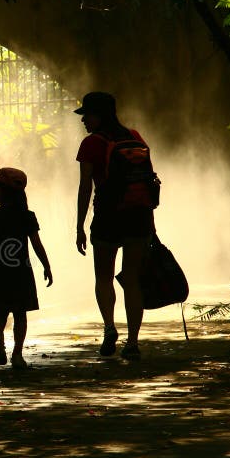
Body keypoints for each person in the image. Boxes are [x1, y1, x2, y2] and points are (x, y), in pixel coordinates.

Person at [74, 92, 154, 361]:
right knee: (132, 279)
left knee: (104, 277)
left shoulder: (91, 144)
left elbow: (86, 187)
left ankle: (109, 328)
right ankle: (132, 341)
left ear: (99, 115)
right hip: (139, 216)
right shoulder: (134, 137)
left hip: (108, 216)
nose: (84, 119)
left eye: (87, 114)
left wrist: (79, 225)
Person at [0, 167, 53, 369]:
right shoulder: (27, 216)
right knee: (20, 314)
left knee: (0, 311)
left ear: (4, 192)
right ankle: (17, 354)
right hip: (21, 273)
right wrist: (46, 266)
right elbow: (36, 244)